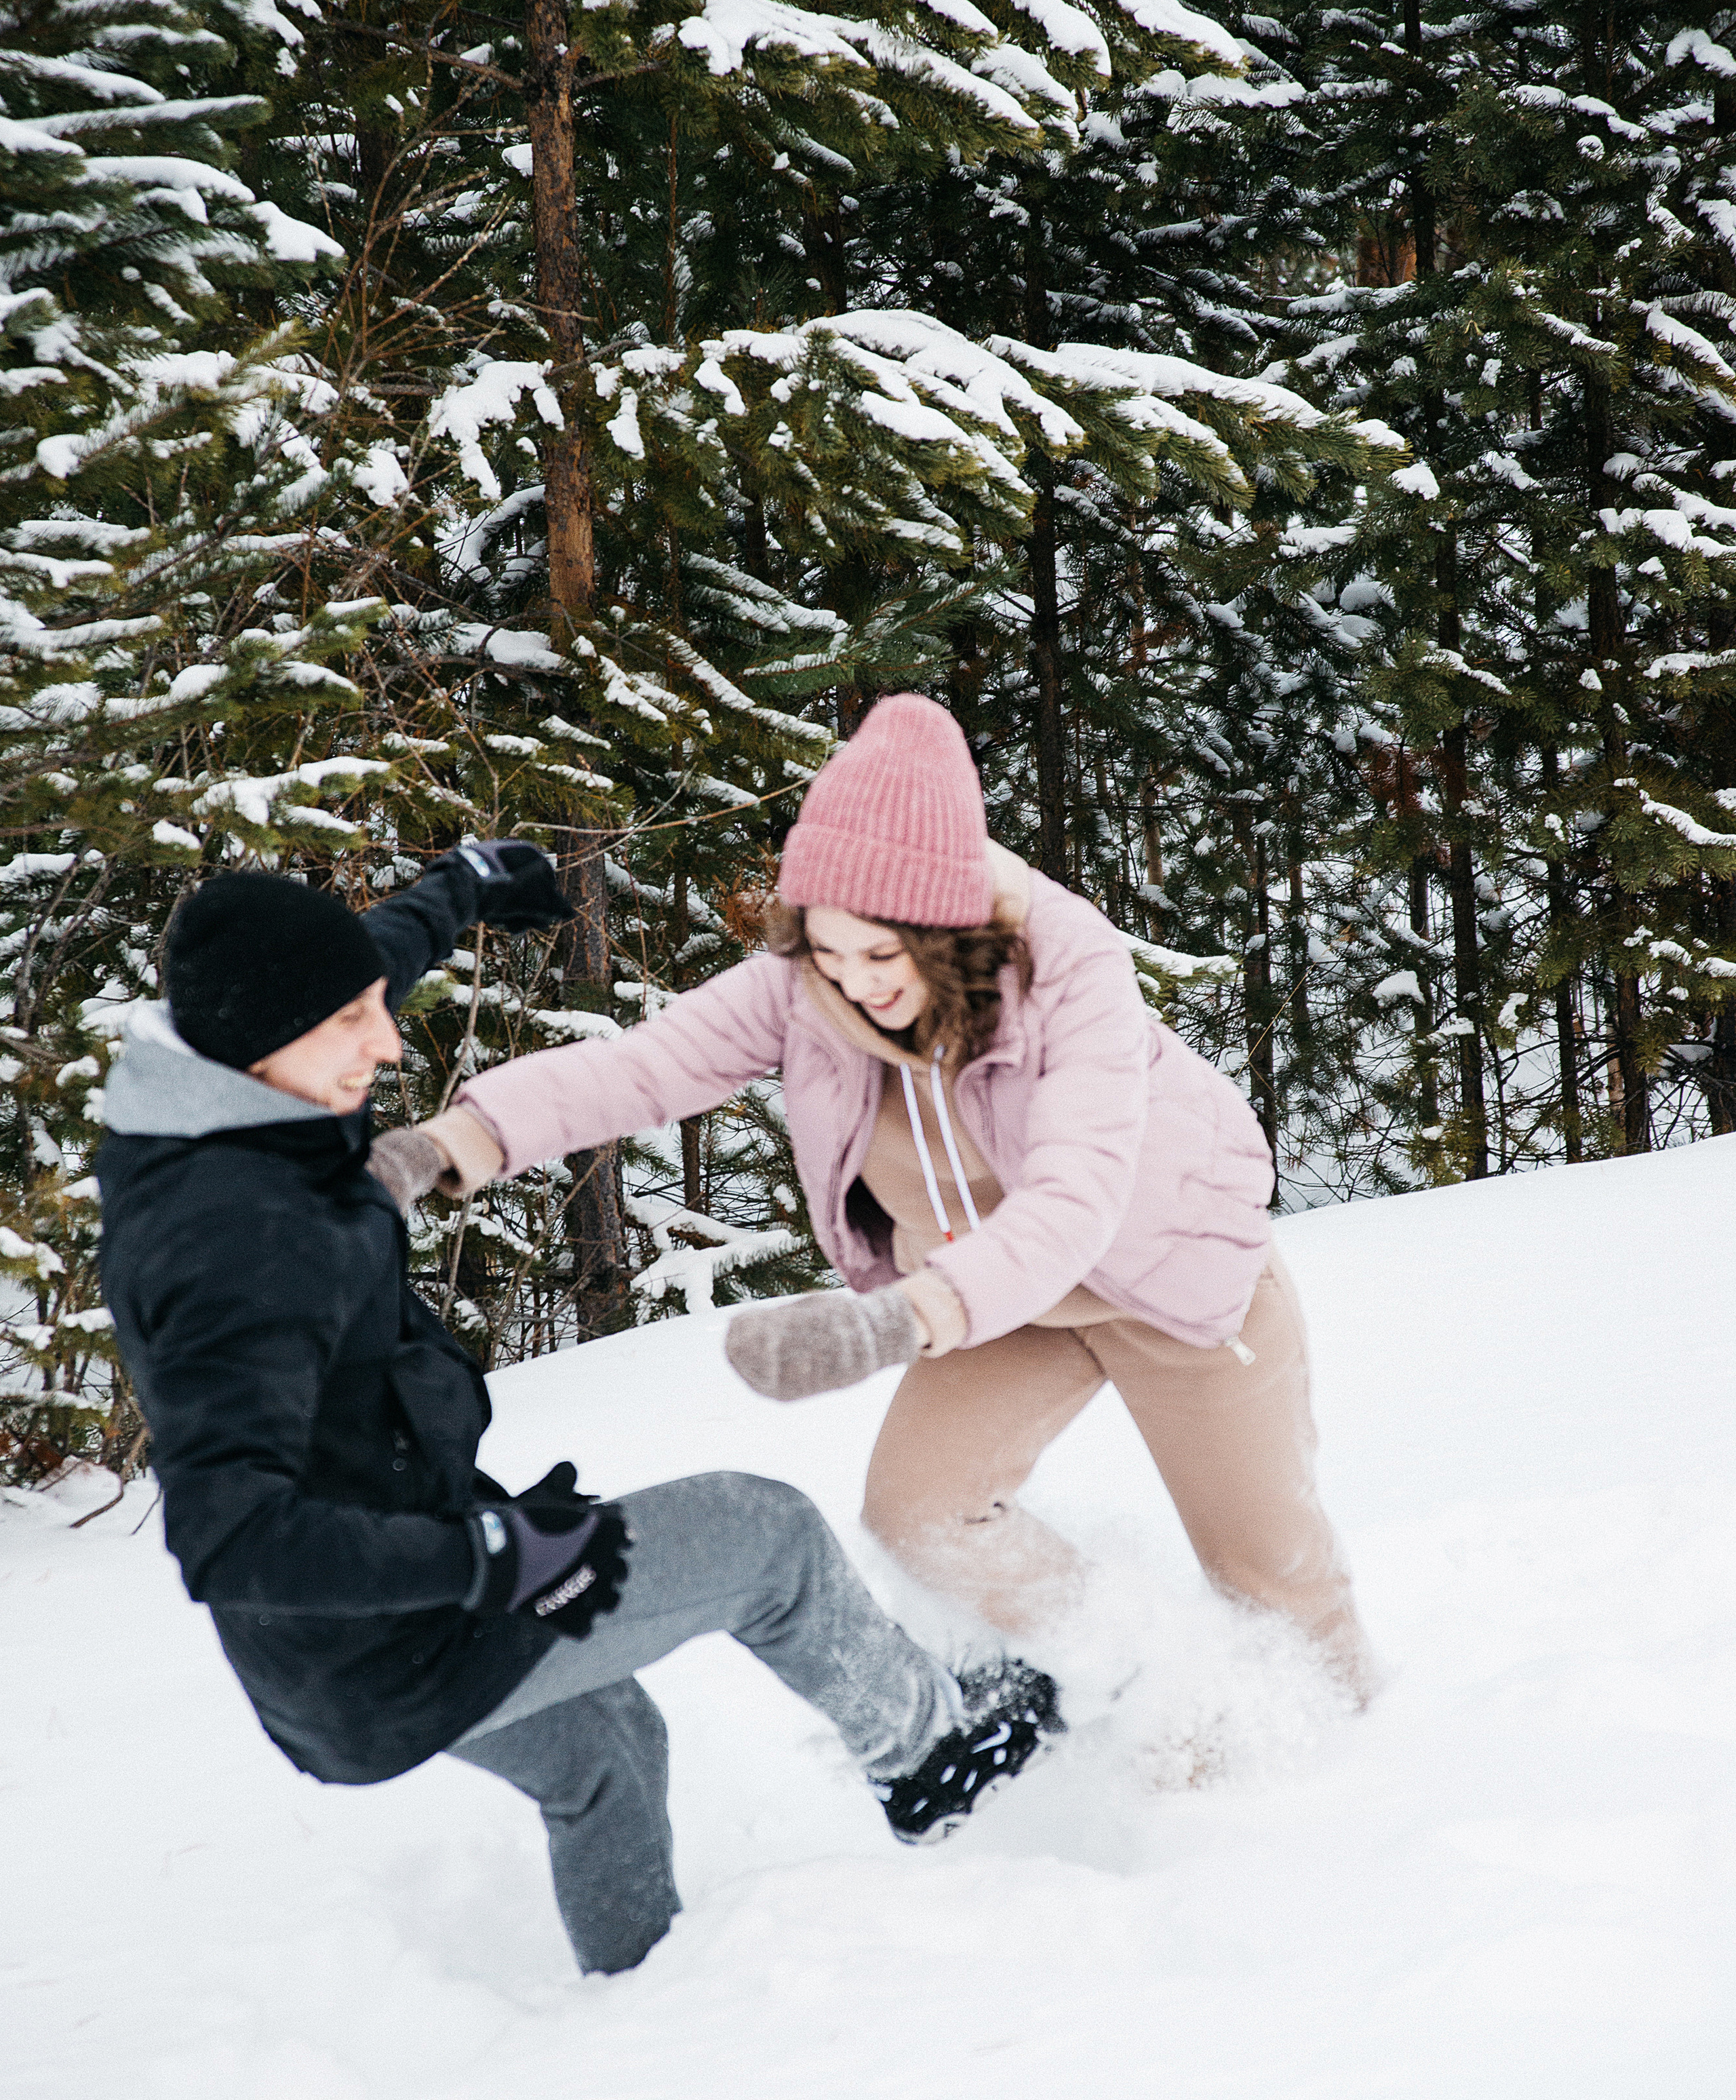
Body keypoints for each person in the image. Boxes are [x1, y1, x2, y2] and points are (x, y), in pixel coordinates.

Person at [97, 847, 1061, 1980]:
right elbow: (232, 1538)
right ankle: (939, 1755)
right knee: (769, 1539)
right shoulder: (240, 1242)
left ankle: (636, 2004)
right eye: (353, 1020)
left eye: (373, 1007)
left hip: (332, 1670)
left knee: (608, 1744)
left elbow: (358, 971)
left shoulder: (215, 1097)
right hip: (404, 1625)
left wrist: (460, 888)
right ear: (259, 1043)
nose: (388, 1042)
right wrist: (495, 1558)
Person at [403, 697, 1374, 1696]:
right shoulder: (809, 983)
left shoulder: (1069, 968)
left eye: (882, 954)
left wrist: (892, 1324)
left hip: (1167, 1273)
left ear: (946, 927)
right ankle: (1153, 1677)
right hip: (992, 1299)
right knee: (920, 1512)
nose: (856, 984)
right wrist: (452, 1142)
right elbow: (649, 1068)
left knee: (1271, 1574)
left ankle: (1346, 1758)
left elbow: (1076, 1193)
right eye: (829, 952)